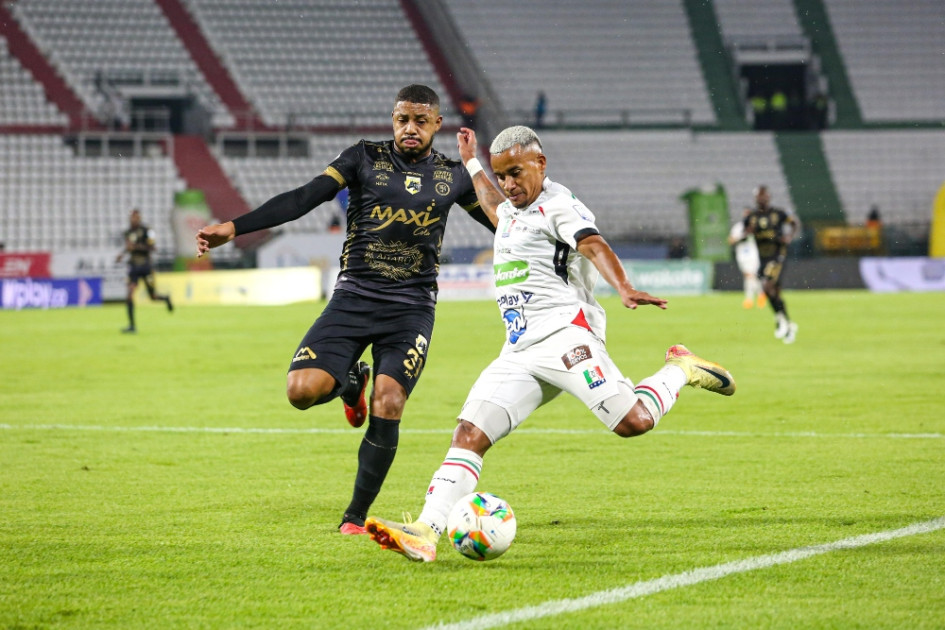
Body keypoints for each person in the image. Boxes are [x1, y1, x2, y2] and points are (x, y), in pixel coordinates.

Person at [364, 126, 736, 562]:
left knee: (632, 422)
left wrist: (624, 285)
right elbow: (494, 208)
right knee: (468, 434)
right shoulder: (514, 209)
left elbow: (592, 243)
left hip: (566, 337)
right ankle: (426, 530)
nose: (508, 185)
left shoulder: (559, 205)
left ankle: (682, 368)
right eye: (502, 176)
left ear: (541, 163)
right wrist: (472, 163)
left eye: (516, 173)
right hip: (519, 351)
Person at [194, 85, 501, 535]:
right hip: (354, 297)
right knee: (300, 392)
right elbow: (305, 196)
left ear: (437, 124)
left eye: (420, 120)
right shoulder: (363, 157)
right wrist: (234, 228)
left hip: (411, 308)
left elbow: (503, 221)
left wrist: (477, 168)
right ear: (392, 120)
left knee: (390, 400)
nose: (409, 128)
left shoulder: (453, 176)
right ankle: (349, 384)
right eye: (401, 119)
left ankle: (354, 516)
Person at [744, 186, 798, 343]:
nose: (762, 199)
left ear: (769, 197)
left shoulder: (778, 213)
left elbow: (794, 223)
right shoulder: (752, 217)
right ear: (755, 199)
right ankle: (786, 323)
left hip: (777, 256)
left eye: (764, 196)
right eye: (759, 197)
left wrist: (789, 236)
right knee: (773, 292)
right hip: (762, 258)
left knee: (767, 286)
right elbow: (745, 231)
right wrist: (747, 232)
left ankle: (782, 320)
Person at [116, 208, 172, 333]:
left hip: (146, 267)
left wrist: (135, 247)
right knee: (129, 295)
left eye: (136, 217)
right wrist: (122, 254)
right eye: (132, 217)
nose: (133, 219)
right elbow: (129, 247)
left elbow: (152, 247)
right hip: (134, 267)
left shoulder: (147, 231)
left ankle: (166, 298)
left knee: (153, 296)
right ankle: (132, 326)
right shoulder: (128, 232)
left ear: (139, 218)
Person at [727, 207, 764, 309]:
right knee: (751, 277)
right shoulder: (738, 227)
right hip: (742, 256)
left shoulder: (756, 227)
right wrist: (740, 237)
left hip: (753, 255)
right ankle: (761, 294)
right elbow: (730, 240)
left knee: (750, 276)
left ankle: (749, 299)